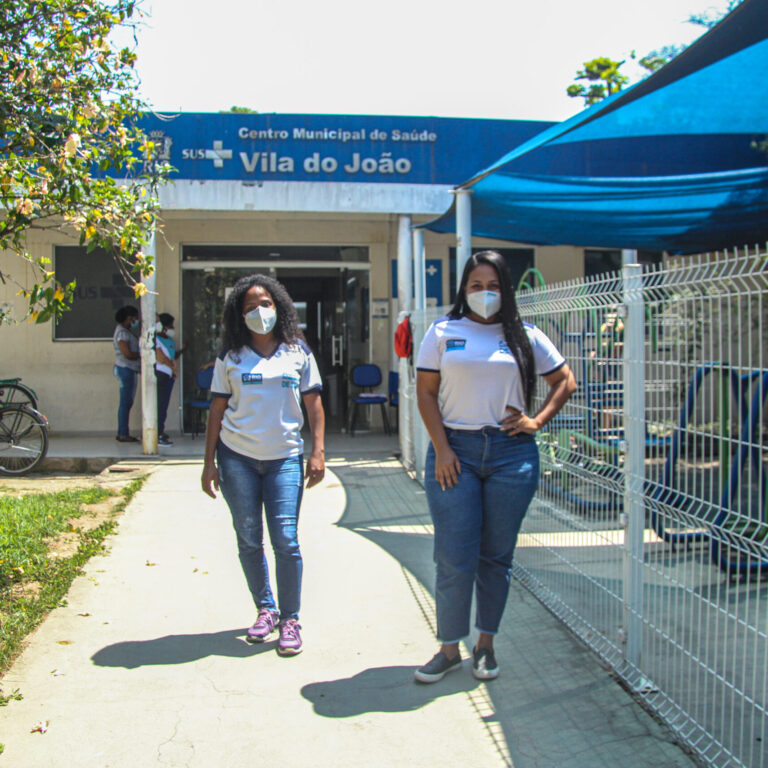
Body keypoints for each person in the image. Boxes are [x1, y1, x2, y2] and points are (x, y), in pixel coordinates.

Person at [413, 250, 576, 683]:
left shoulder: (525, 335)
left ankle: (485, 646)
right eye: (475, 286)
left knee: (496, 556)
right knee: (453, 555)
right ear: (463, 290)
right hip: (455, 455)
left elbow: (565, 381)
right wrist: (443, 450)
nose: (484, 294)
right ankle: (449, 649)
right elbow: (426, 394)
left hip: (511, 454)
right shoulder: (443, 332)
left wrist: (536, 421)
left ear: (506, 289)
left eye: (493, 286)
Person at [200, 274, 326, 656]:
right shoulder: (231, 357)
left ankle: (291, 618)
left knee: (286, 540)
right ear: (239, 315)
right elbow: (217, 410)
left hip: (285, 459)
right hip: (236, 458)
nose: (259, 311)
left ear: (280, 307)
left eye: (266, 303)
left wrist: (318, 451)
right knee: (249, 538)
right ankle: (266, 609)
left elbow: (314, 404)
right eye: (250, 306)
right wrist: (209, 463)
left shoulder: (298, 352)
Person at [155, 312, 186, 446]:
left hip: (168, 376)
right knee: (159, 404)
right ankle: (157, 433)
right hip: (160, 375)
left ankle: (161, 430)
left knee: (164, 404)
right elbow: (160, 358)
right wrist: (172, 367)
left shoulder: (169, 340)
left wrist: (183, 349)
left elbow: (173, 356)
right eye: (170, 325)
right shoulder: (154, 339)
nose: (172, 328)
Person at [113, 305, 141, 442]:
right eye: (134, 318)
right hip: (126, 369)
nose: (136, 321)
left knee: (127, 402)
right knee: (125, 402)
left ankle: (123, 431)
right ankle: (123, 433)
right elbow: (127, 353)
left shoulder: (127, 332)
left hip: (130, 369)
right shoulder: (122, 333)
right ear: (129, 318)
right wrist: (143, 354)